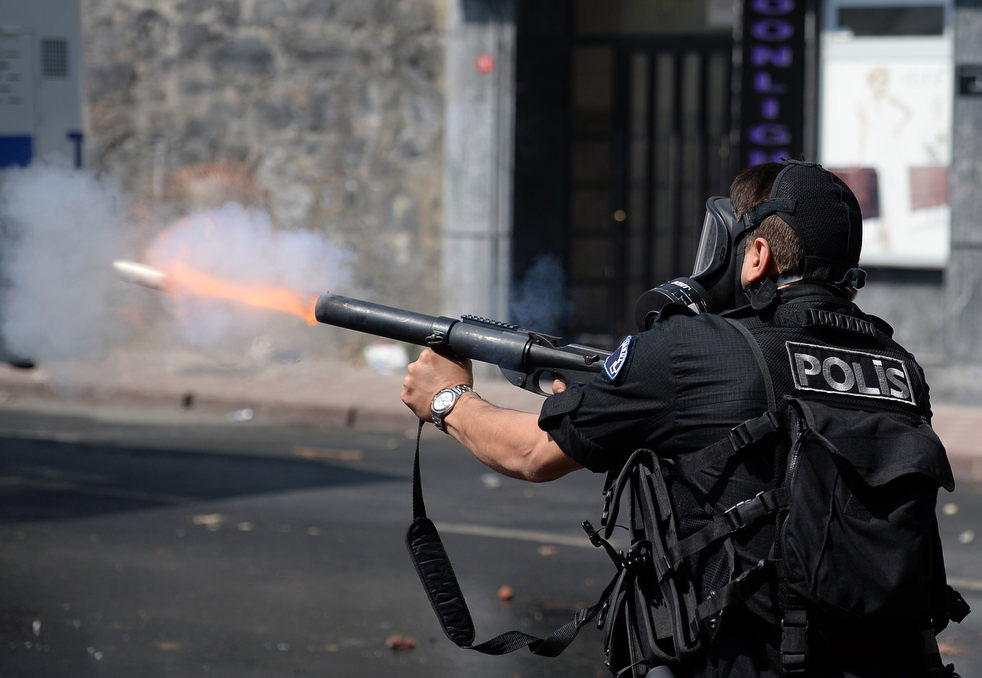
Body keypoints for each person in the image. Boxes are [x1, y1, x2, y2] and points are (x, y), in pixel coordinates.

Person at [400, 160, 958, 677]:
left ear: (757, 254)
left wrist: (447, 398)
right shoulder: (900, 368)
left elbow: (528, 453)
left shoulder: (694, 348)